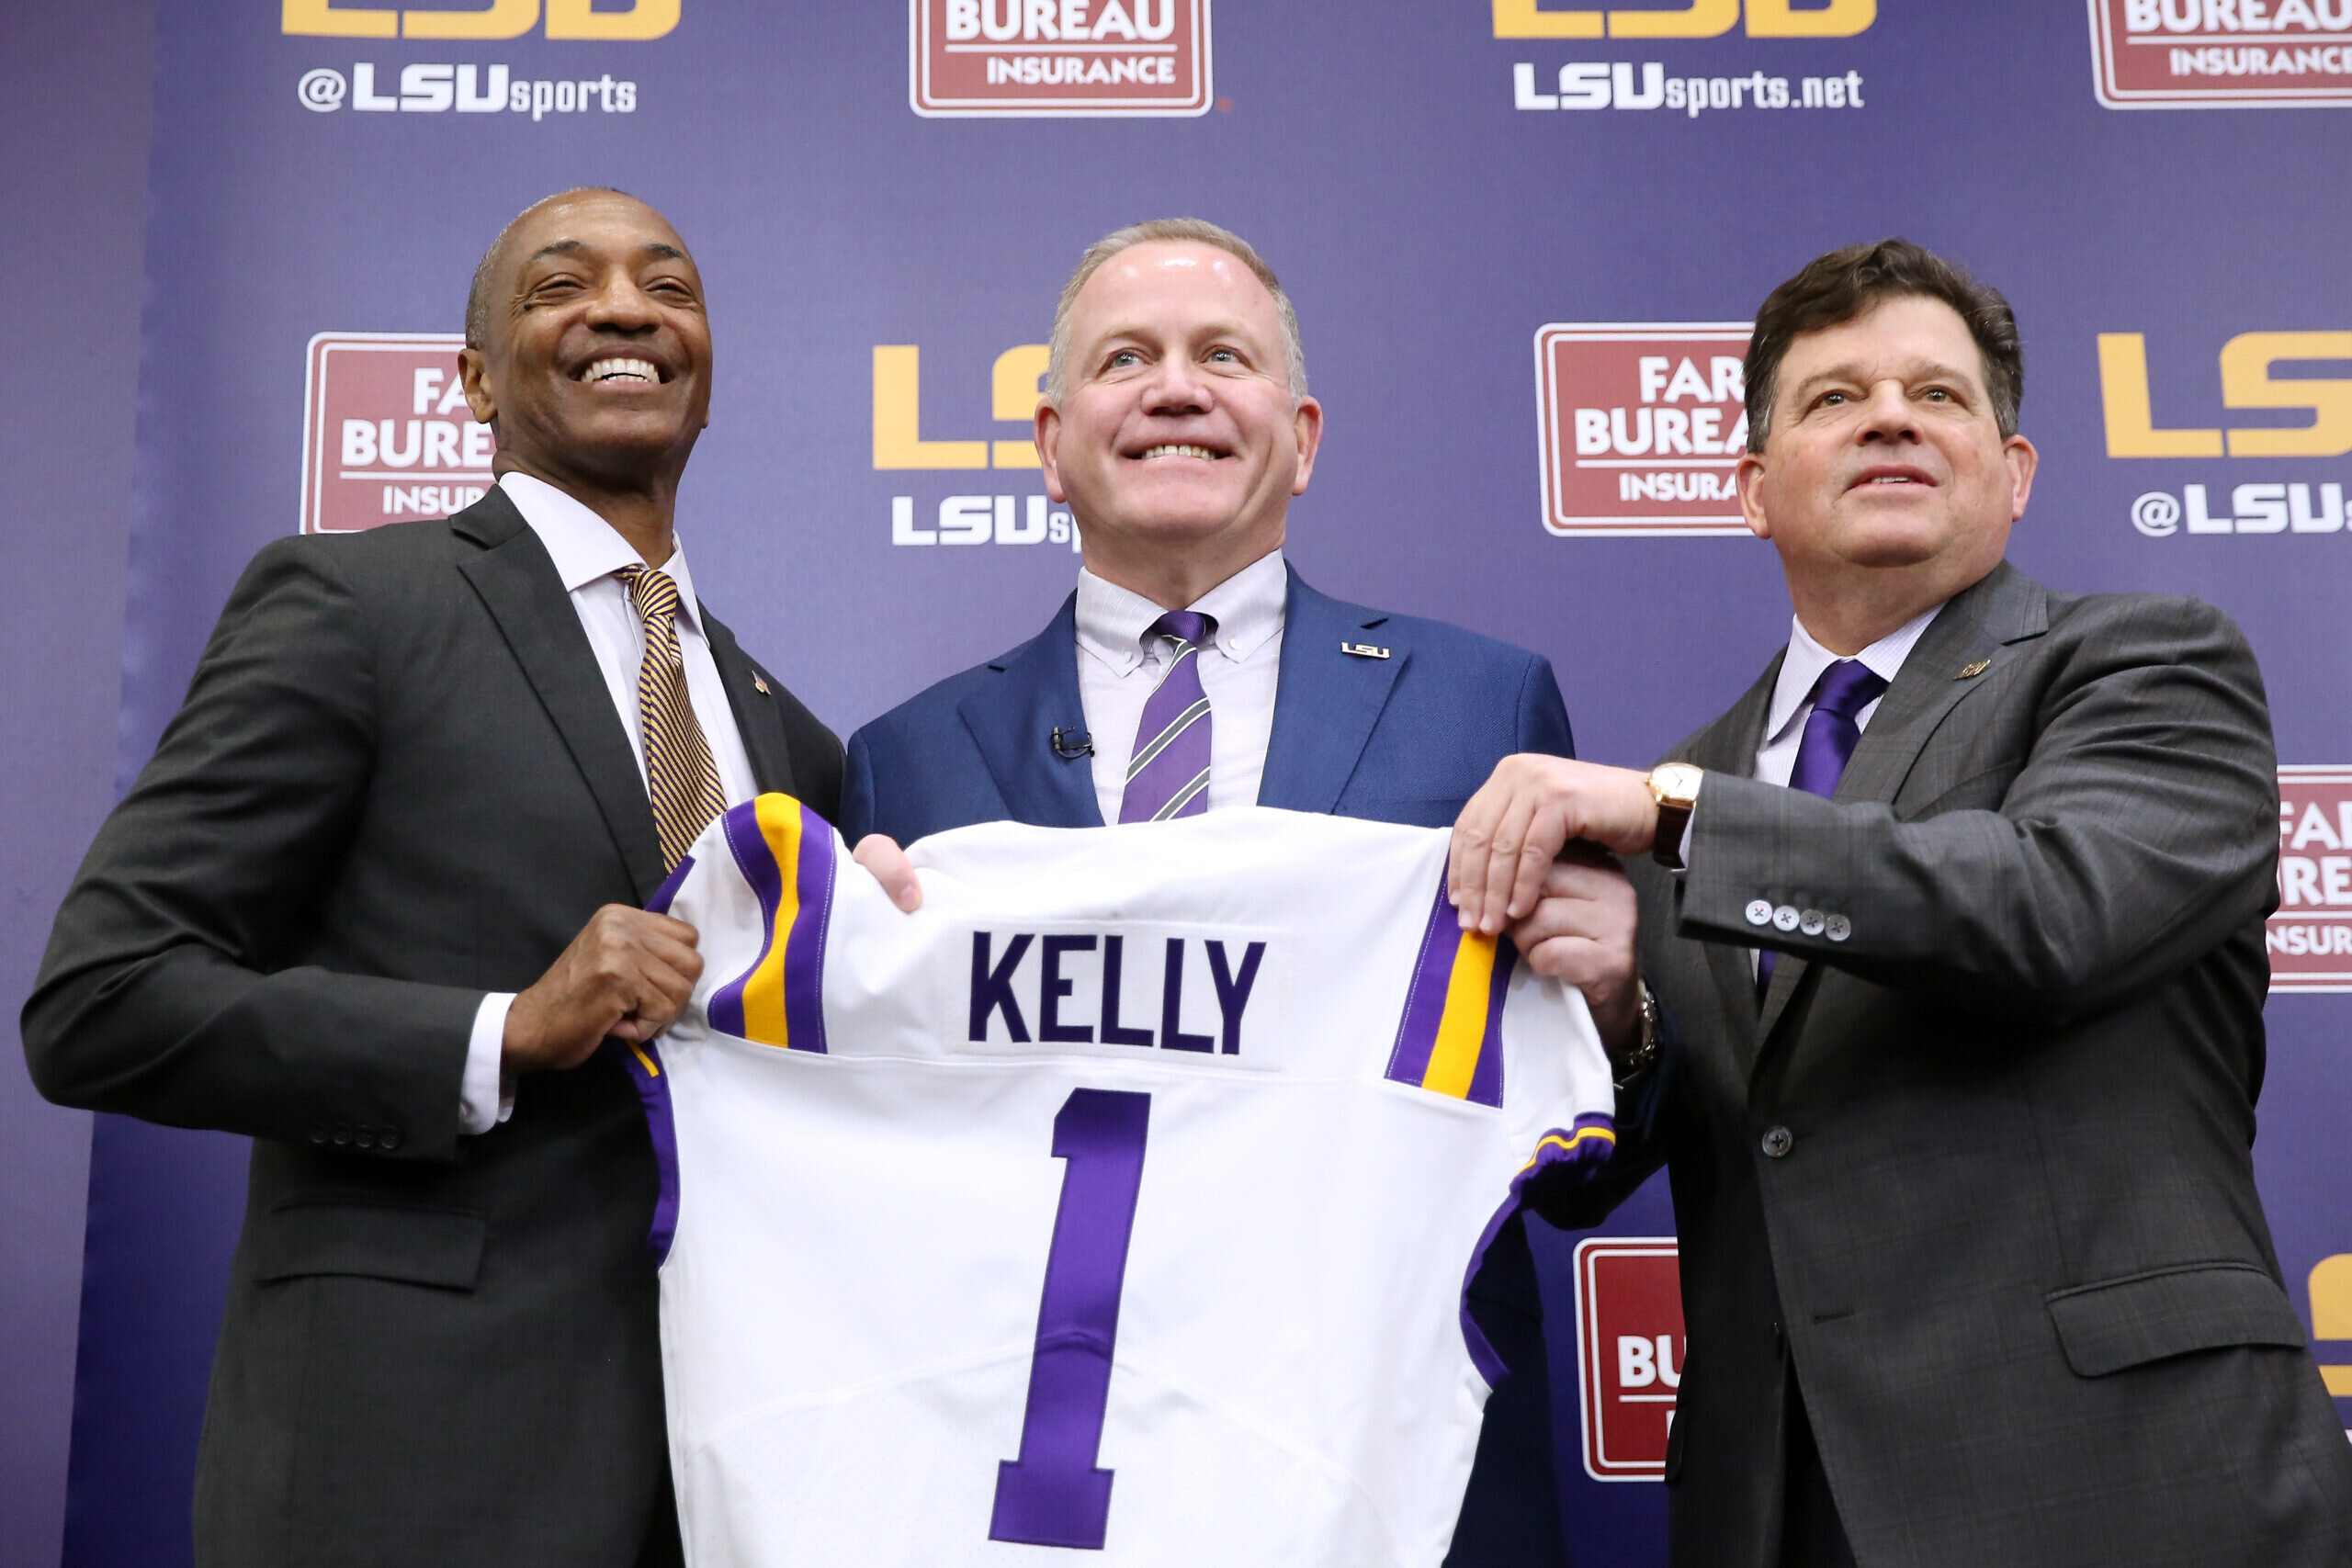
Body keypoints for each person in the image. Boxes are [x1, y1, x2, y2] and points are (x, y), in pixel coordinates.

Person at [21, 189, 899, 1568]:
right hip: (410, 1468)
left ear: (705, 366)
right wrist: (505, 1030)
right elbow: (104, 1001)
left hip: (732, 1476)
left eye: (668, 287)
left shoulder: (791, 740)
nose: (624, 308)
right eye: (562, 284)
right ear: (477, 380)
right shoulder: (355, 607)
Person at [1450, 239, 2352, 1567]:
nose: (1889, 416)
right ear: (1752, 492)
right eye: (1833, 397)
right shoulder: (1683, 781)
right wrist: (1616, 1020)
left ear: (2016, 471)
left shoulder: (2149, 662)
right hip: (1779, 1502)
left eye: (1938, 396)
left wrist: (1686, 821)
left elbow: (2055, 908)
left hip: (2122, 1486)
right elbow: (1603, 1175)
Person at [839, 217, 1634, 1568]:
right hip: (1037, 1471)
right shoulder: (901, 757)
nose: (1176, 388)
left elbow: (1573, 1168)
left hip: (1389, 1458)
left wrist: (1616, 1004)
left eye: (1224, 354)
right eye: (1125, 359)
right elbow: (869, 1189)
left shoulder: (1484, 701)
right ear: (1047, 441)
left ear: (1304, 435)